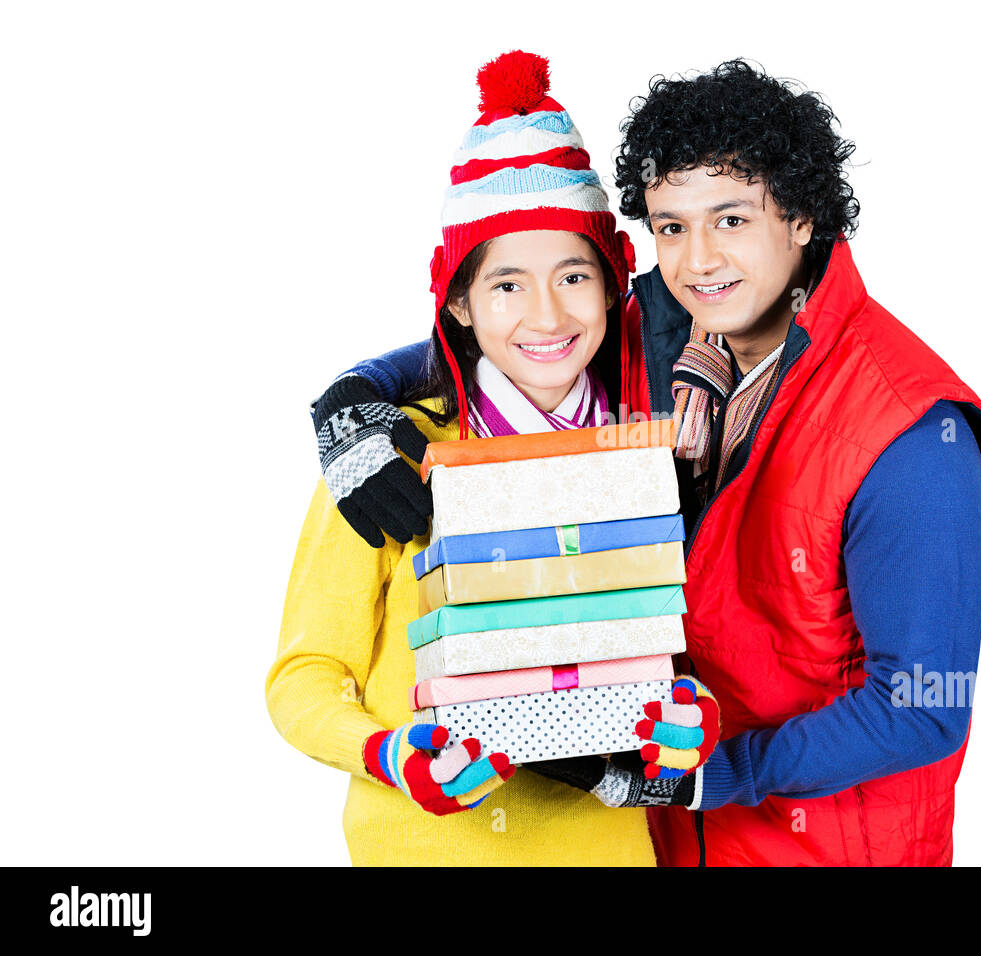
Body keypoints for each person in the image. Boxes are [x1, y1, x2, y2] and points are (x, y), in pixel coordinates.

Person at [311, 59, 981, 866]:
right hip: (654, 847)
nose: (699, 260)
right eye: (672, 226)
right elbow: (507, 334)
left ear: (804, 217)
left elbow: (921, 709)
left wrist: (712, 776)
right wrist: (352, 403)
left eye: (732, 220)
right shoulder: (660, 331)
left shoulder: (910, 435)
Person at [268, 51, 714, 867]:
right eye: (507, 285)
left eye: (574, 275)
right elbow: (303, 676)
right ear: (462, 304)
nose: (547, 313)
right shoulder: (384, 454)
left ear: (614, 288)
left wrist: (686, 722)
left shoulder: (647, 447)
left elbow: (662, 659)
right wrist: (390, 754)